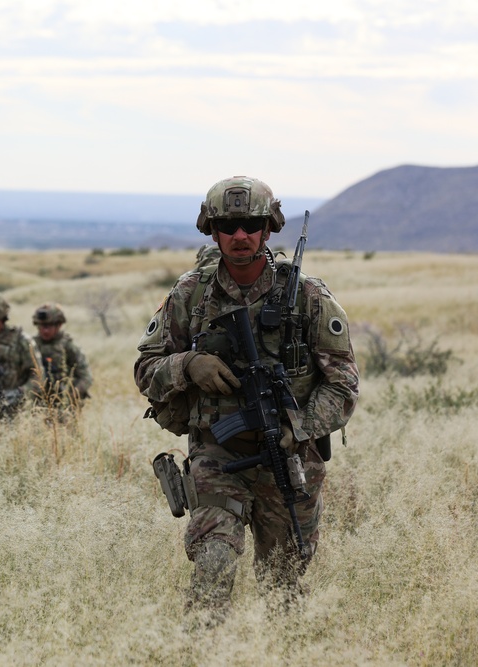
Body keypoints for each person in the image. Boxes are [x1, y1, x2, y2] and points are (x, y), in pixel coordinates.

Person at [134, 176, 359, 615]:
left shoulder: (308, 297)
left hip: (289, 459)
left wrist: (301, 427)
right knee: (213, 565)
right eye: (228, 226)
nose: (240, 236)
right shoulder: (189, 296)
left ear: (269, 228)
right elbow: (146, 370)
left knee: (284, 586)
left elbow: (343, 384)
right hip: (218, 453)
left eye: (251, 224)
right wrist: (187, 366)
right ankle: (201, 651)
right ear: (212, 230)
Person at [31, 302, 93, 407]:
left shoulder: (68, 346)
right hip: (37, 403)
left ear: (59, 325)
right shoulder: (31, 345)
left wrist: (70, 397)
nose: (45, 330)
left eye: (49, 326)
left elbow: (86, 377)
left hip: (65, 403)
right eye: (42, 326)